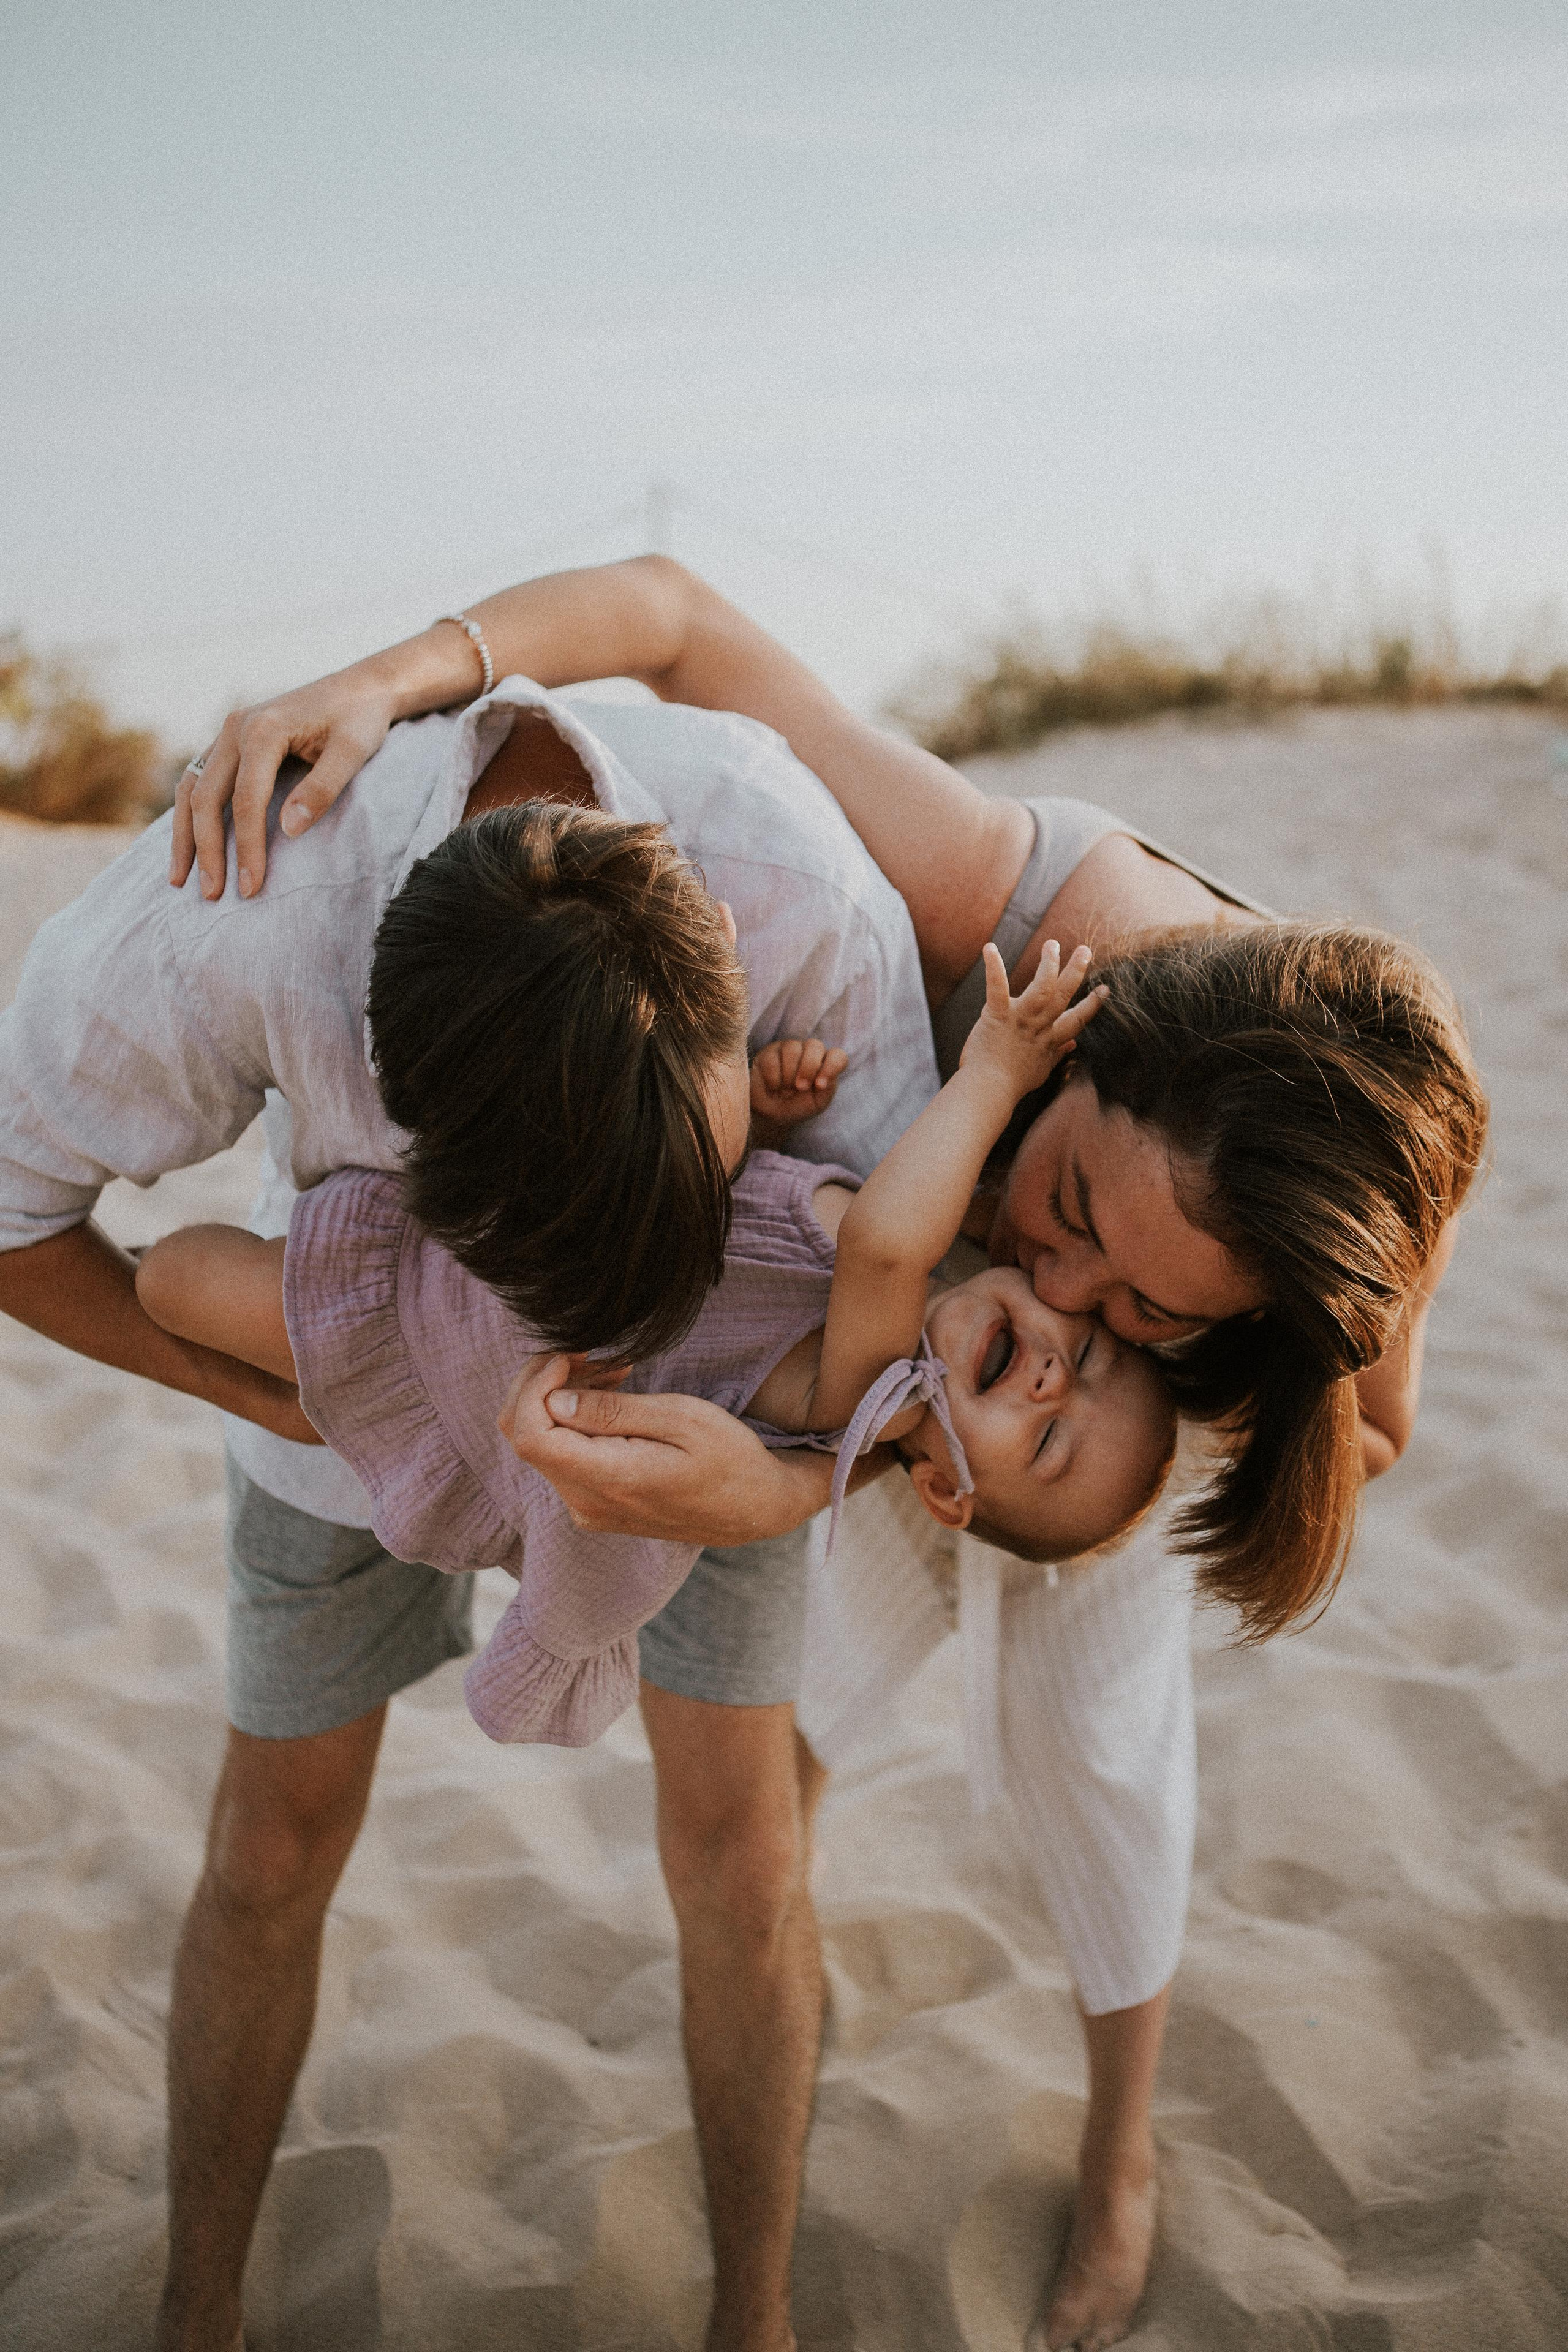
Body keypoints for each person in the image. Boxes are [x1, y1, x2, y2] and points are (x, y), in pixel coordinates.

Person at [174, 557, 1488, 2350]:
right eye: (1078, 1204)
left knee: (1099, 1752)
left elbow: (1380, 1433)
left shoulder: (1320, 1230)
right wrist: (387, 675)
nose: (1070, 1280)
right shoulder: (1020, 905)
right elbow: (673, 618)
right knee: (788, 1753)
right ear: (1080, 1045)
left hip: (1084, 1459)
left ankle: (1120, 2156)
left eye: (1157, 1296)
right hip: (851, 1361)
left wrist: (1068, 1418)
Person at [0, 666, 938, 2352]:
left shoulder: (802, 894)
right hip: (353, 1371)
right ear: (395, 1115)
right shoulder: (240, 922)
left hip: (713, 1409)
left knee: (741, 1852)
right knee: (273, 1842)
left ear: (728, 977)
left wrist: (783, 1479)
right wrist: (310, 1406)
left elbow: (897, 1331)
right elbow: (12, 1215)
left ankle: (760, 2322)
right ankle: (194, 2308)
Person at [135, 812, 1176, 1755]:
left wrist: (996, 1071)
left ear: (947, 1490)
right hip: (518, 1240)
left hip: (444, 1331)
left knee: (177, 1280)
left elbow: (885, 1248)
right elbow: (742, 1222)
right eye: (1084, 1356)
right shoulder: (890, 1278)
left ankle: (254, 1359)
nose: (1049, 1382)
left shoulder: (863, 1393)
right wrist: (760, 1117)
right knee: (213, 1276)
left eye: (1048, 1441)